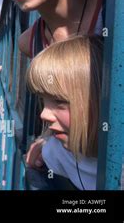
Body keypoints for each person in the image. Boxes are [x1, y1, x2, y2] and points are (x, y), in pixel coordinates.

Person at [25, 35, 102, 190]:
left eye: (60, 102)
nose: (44, 114)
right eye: (43, 100)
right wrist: (43, 142)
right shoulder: (57, 151)